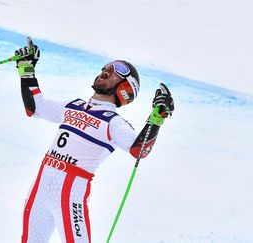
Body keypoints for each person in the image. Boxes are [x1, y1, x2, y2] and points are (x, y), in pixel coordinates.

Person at [14, 38, 174, 243]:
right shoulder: (74, 106)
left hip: (70, 196)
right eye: (105, 67)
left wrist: (157, 118)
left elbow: (139, 150)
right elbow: (35, 107)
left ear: (124, 88)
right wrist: (26, 69)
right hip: (40, 190)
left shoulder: (113, 122)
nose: (105, 71)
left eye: (115, 71)